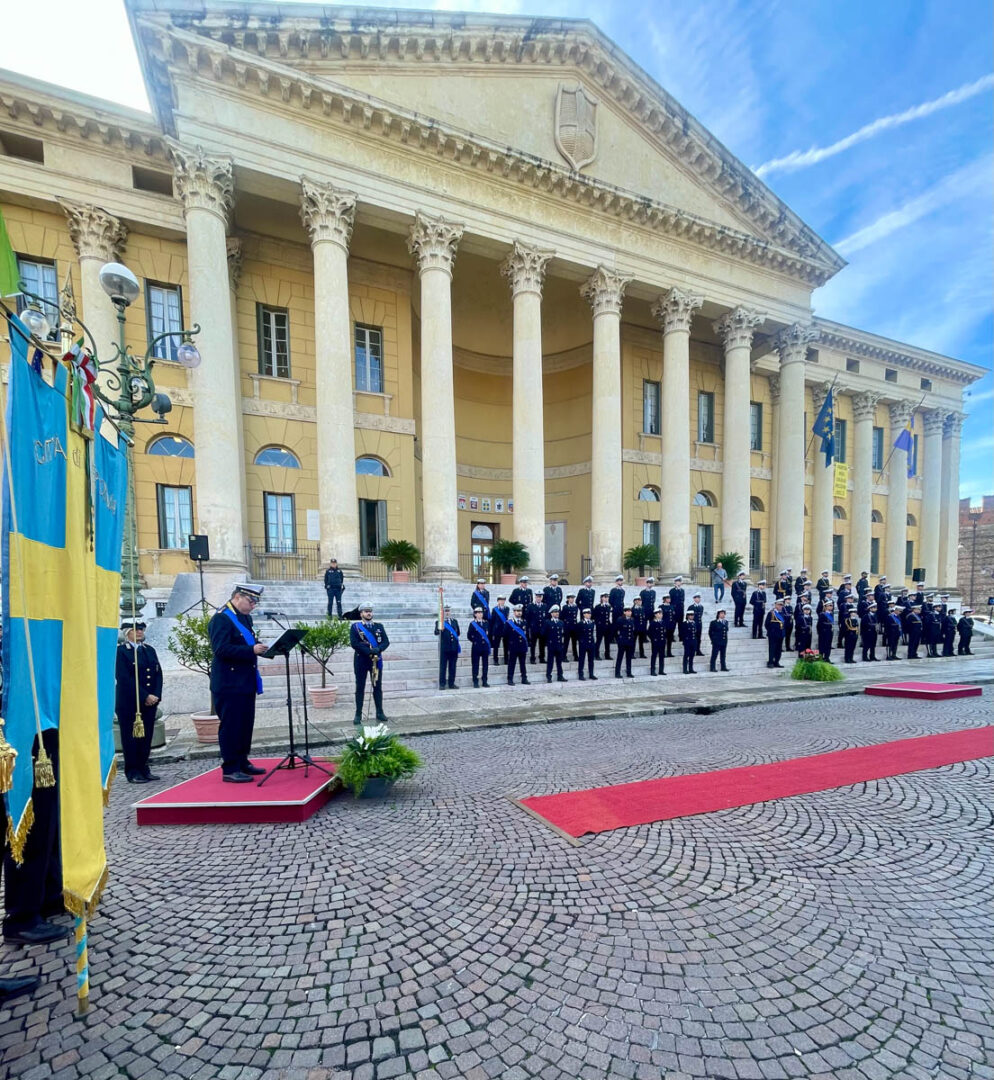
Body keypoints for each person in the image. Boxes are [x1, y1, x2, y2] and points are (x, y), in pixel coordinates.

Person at [2, 727, 65, 945]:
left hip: (45, 731)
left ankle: (47, 896)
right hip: (20, 730)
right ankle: (22, 916)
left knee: (47, 824)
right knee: (27, 827)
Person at [208, 583, 269, 782]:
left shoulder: (244, 617)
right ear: (237, 597)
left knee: (245, 724)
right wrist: (251, 651)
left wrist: (260, 648)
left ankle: (242, 761)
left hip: (245, 679)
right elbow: (221, 649)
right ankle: (230, 767)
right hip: (229, 682)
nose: (253, 606)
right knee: (231, 725)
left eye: (255, 603)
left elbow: (246, 641)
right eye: (251, 601)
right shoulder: (222, 618)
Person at [115, 619, 162, 784]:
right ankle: (133, 771)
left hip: (149, 702)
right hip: (130, 703)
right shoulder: (121, 652)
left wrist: (155, 695)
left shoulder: (149, 650)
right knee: (131, 738)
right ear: (127, 633)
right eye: (136, 630)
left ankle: (144, 767)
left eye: (141, 629)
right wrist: (144, 696)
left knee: (146, 737)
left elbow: (158, 674)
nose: (140, 632)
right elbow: (124, 679)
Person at [350, 602, 390, 724]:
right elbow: (354, 643)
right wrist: (369, 651)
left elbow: (386, 642)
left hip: (376, 661)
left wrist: (379, 649)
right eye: (366, 611)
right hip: (361, 660)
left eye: (370, 611)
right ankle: (358, 713)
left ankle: (380, 712)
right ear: (361, 613)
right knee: (360, 687)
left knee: (377, 687)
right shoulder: (355, 627)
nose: (369, 613)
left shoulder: (379, 626)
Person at [434, 605, 461, 688]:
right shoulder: (439, 622)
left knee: (452, 667)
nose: (447, 613)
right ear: (443, 612)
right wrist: (439, 629)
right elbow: (436, 632)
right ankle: (442, 684)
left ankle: (451, 683)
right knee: (443, 667)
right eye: (445, 611)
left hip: (453, 648)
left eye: (448, 611)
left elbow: (458, 633)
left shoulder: (454, 621)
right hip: (444, 648)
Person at [504, 605, 530, 685]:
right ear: (514, 612)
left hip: (522, 646)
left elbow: (527, 635)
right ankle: (510, 679)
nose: (519, 613)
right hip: (513, 646)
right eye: (517, 611)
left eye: (520, 611)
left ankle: (524, 678)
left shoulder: (524, 622)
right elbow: (505, 635)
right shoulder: (509, 623)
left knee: (523, 664)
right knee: (512, 663)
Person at [467, 609, 492, 687]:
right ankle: (475, 681)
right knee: (475, 665)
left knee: (485, 665)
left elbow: (489, 634)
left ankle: (484, 681)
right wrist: (475, 641)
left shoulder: (486, 623)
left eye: (481, 613)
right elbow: (469, 635)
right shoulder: (472, 624)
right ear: (475, 614)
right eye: (478, 613)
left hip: (485, 647)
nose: (480, 614)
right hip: (476, 647)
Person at [544, 605, 568, 682]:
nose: (557, 613)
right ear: (551, 613)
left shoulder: (561, 622)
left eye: (557, 612)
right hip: (551, 645)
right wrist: (548, 642)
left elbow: (563, 633)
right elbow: (544, 633)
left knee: (559, 662)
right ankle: (549, 676)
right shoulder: (548, 622)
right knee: (550, 662)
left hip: (559, 645)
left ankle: (560, 675)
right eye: (555, 612)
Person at [613, 605, 636, 678]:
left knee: (629, 658)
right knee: (620, 657)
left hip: (630, 641)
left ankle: (629, 672)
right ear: (624, 612)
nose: (630, 613)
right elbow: (615, 630)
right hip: (622, 641)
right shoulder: (620, 619)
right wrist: (618, 639)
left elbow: (632, 631)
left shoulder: (632, 619)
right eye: (628, 611)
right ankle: (617, 673)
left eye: (630, 611)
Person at [525, 591, 547, 664]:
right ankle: (532, 658)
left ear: (542, 597)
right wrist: (528, 628)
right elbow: (527, 618)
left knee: (542, 644)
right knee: (533, 644)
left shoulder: (545, 606)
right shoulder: (530, 606)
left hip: (542, 628)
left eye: (540, 597)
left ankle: (542, 657)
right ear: (535, 597)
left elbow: (546, 617)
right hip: (534, 628)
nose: (539, 598)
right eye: (537, 597)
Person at [489, 596, 510, 665]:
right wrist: (491, 632)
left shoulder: (507, 608)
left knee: (506, 646)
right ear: (498, 601)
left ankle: (506, 660)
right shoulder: (495, 609)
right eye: (501, 600)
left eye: (503, 600)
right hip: (497, 630)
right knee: (496, 646)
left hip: (505, 630)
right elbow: (492, 621)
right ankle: (495, 660)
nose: (502, 602)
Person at [577, 609, 597, 680]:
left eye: (590, 613)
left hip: (591, 643)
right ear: (584, 614)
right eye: (587, 613)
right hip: (583, 644)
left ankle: (591, 674)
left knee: (591, 660)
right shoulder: (581, 623)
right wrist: (581, 641)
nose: (589, 615)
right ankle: (580, 674)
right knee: (581, 659)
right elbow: (578, 633)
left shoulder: (592, 623)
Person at [765, 599, 785, 668]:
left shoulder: (782, 613)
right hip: (773, 634)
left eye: (781, 605)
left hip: (780, 634)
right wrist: (771, 631)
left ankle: (776, 661)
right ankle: (770, 662)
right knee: (772, 648)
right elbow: (767, 624)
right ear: (775, 605)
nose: (780, 606)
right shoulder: (771, 613)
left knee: (779, 649)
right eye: (779, 605)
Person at [594, 594, 613, 659]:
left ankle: (607, 655)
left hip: (607, 626)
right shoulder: (598, 607)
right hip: (600, 627)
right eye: (605, 597)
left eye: (607, 597)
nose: (606, 598)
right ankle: (596, 655)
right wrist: (598, 624)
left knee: (607, 642)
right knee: (598, 641)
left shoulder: (609, 606)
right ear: (601, 598)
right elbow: (594, 616)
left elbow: (609, 616)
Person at [561, 594, 580, 660]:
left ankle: (575, 656)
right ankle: (563, 656)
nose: (572, 599)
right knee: (566, 642)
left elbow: (576, 617)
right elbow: (562, 617)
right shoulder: (565, 607)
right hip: (567, 627)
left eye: (573, 598)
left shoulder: (575, 607)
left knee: (574, 642)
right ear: (568, 599)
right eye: (571, 598)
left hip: (574, 627)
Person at [648, 607, 666, 676]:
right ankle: (652, 670)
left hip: (662, 641)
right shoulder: (653, 623)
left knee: (662, 656)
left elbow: (664, 631)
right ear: (655, 614)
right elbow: (649, 632)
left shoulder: (663, 622)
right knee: (654, 656)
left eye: (661, 613)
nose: (661, 615)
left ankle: (661, 670)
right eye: (659, 613)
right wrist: (653, 639)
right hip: (656, 642)